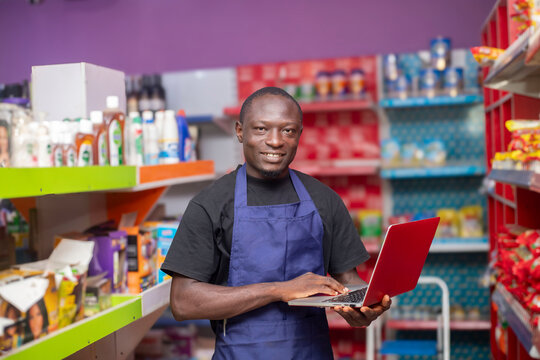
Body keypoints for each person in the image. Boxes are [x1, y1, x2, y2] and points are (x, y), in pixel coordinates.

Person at [161, 86, 391, 359]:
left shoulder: (324, 200)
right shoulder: (210, 205)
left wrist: (363, 304)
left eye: (288, 130)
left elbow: (348, 278)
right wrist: (280, 290)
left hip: (310, 352)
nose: (275, 141)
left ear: (299, 135)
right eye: (260, 129)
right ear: (239, 131)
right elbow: (183, 302)